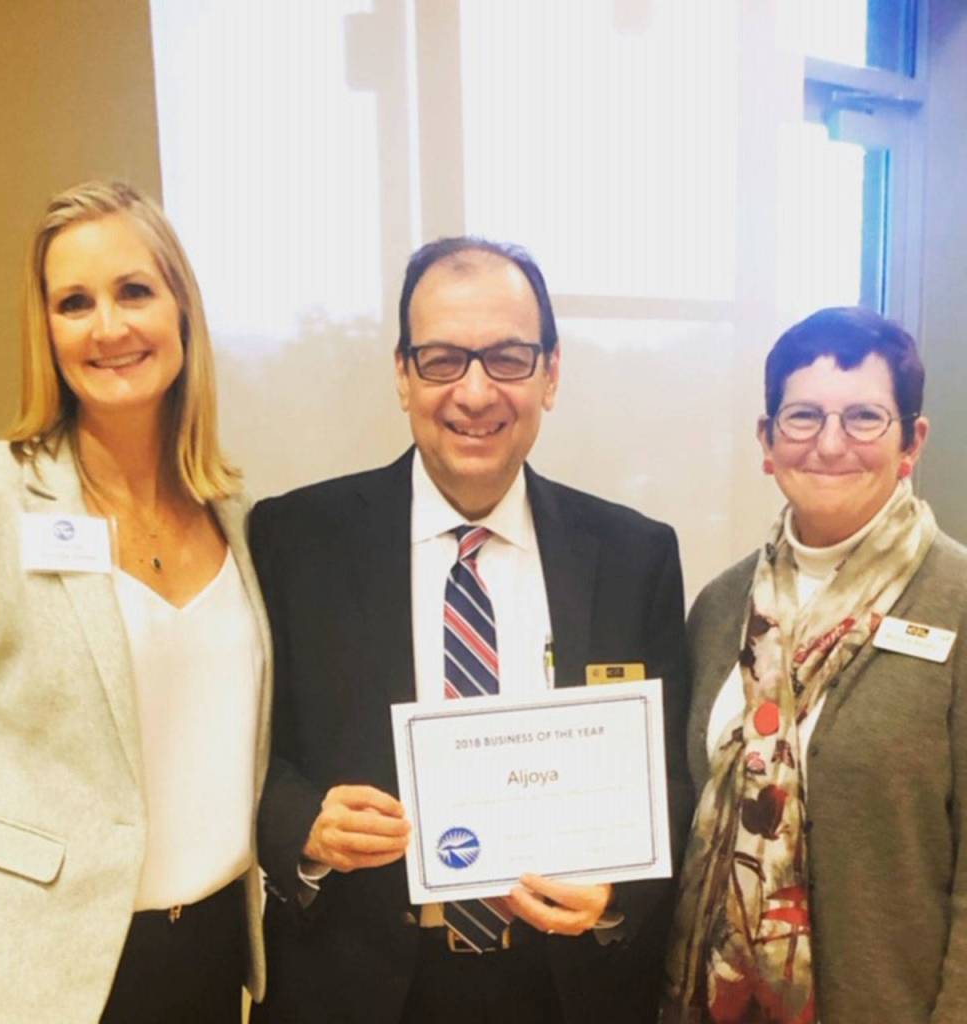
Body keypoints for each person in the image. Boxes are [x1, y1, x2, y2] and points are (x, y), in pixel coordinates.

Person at [250, 237, 691, 1024]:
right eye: (443, 359)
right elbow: (247, 754)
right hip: (357, 984)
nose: (476, 392)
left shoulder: (634, 554)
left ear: (551, 374)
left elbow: (670, 778)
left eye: (509, 359)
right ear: (401, 374)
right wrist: (306, 828)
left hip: (563, 988)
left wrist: (618, 889)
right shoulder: (295, 539)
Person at [0, 181, 271, 1023]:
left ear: (181, 310)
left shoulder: (234, 513)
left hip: (209, 956)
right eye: (74, 303)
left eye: (135, 291)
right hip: (36, 969)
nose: (109, 328)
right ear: (45, 330)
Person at [664, 306, 967, 1023]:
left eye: (864, 417)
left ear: (910, 441)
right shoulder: (721, 609)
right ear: (767, 442)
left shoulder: (958, 602)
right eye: (802, 418)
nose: (830, 444)